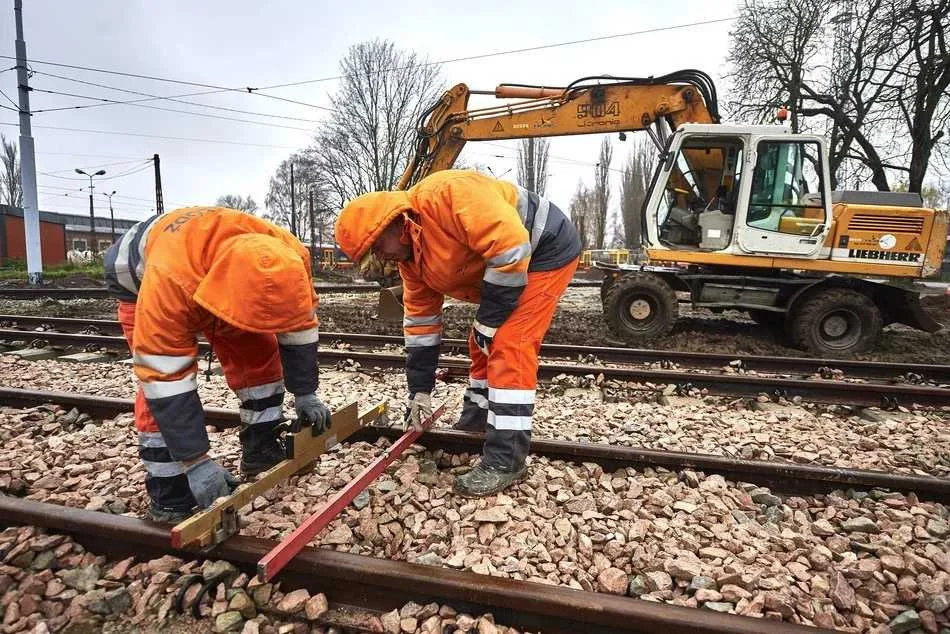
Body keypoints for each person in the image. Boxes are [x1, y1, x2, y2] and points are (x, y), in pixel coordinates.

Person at [335, 170, 580, 497]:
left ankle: (507, 459)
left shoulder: (448, 194)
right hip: (513, 257)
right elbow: (421, 326)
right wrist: (419, 390)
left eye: (376, 247)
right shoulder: (412, 262)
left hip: (543, 248)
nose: (380, 257)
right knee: (480, 340)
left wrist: (490, 322)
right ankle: (477, 416)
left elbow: (509, 250)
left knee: (510, 342)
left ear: (395, 222)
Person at [104, 207, 331, 522]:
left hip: (206, 259)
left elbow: (300, 327)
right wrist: (195, 462)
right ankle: (170, 493)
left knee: (258, 354)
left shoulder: (291, 259)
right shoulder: (170, 283)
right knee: (156, 389)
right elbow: (164, 377)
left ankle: (260, 450)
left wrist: (305, 392)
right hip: (137, 279)